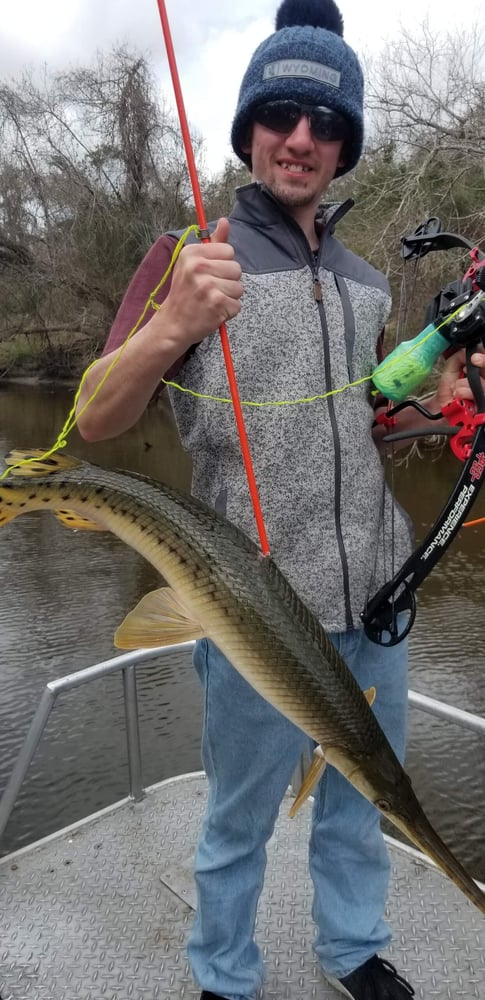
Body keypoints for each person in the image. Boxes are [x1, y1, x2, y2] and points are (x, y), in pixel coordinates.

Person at [76, 1, 485, 997]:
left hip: (376, 601)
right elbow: (92, 418)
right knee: (239, 814)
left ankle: (352, 949)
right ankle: (224, 970)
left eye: (323, 121)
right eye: (281, 114)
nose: (300, 138)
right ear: (250, 127)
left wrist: (440, 412)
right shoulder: (188, 258)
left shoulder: (356, 281)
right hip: (254, 604)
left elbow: (356, 429)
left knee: (363, 804)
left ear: (344, 143)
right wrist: (173, 317)